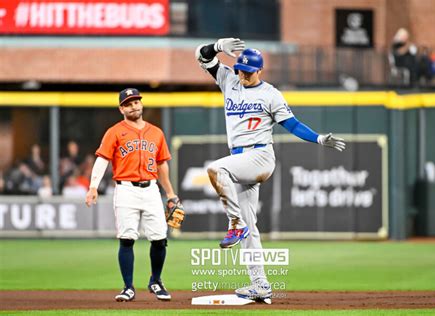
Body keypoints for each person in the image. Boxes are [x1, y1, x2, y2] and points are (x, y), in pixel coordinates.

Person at [195, 38, 346, 302]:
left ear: (260, 71)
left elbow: (293, 125)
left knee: (216, 169)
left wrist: (319, 138)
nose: (243, 75)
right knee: (250, 228)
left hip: (261, 155)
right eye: (240, 70)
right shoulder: (229, 80)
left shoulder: (270, 94)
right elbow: (201, 56)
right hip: (240, 160)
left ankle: (234, 224)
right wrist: (218, 46)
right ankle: (260, 284)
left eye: (248, 72)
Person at [85, 88, 180, 302]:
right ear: (121, 109)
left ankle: (155, 281)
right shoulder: (114, 132)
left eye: (136, 101)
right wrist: (93, 187)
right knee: (127, 239)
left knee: (159, 239)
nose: (133, 106)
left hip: (151, 189)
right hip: (126, 189)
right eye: (128, 103)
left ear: (141, 104)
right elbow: (102, 160)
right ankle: (128, 287)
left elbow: (162, 165)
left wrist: (171, 193)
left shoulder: (156, 133)